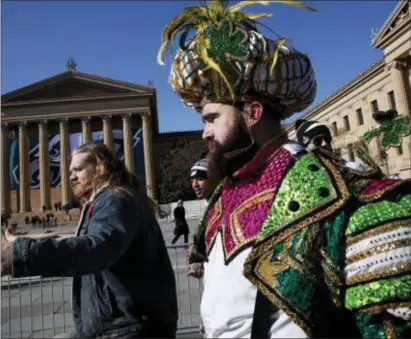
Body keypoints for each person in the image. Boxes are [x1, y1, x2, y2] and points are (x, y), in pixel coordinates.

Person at [158, 1, 411, 338]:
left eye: (212, 119)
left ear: (253, 113)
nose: (204, 133)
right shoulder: (225, 195)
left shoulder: (344, 192)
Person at [1, 142, 178, 339]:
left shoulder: (114, 199)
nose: (71, 177)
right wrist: (23, 242)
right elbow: (90, 243)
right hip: (119, 325)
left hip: (126, 328)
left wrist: (19, 255)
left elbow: (96, 248)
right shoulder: (109, 200)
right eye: (70, 171)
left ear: (100, 168)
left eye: (78, 169)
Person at [295, 119, 366, 171]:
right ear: (308, 149)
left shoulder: (355, 168)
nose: (325, 143)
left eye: (326, 138)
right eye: (318, 141)